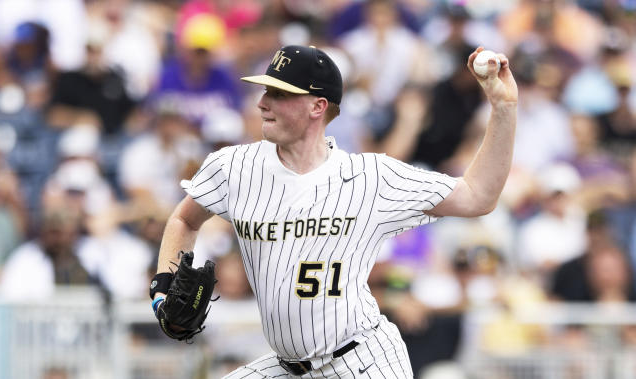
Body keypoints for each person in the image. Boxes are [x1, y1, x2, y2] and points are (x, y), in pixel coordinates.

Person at [151, 44, 517, 378]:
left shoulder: (371, 177)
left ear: (317, 106)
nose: (263, 102)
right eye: (265, 91)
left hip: (362, 362)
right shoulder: (232, 168)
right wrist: (163, 288)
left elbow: (477, 196)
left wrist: (503, 108)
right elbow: (184, 218)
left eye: (279, 93)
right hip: (286, 366)